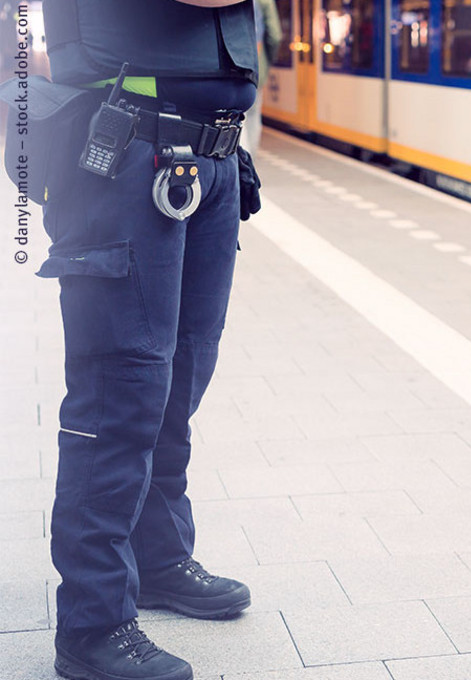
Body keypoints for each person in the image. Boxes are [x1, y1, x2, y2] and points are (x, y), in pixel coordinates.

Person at [37, 1, 260, 679]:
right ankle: (94, 623)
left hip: (210, 158)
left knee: (179, 377)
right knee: (119, 394)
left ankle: (160, 559)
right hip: (128, 153)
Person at [239, 0, 281, 155]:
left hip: (233, 66)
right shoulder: (265, 1)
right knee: (253, 117)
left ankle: (239, 161)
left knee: (236, 117)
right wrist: (266, 62)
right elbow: (275, 36)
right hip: (256, 68)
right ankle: (249, 163)